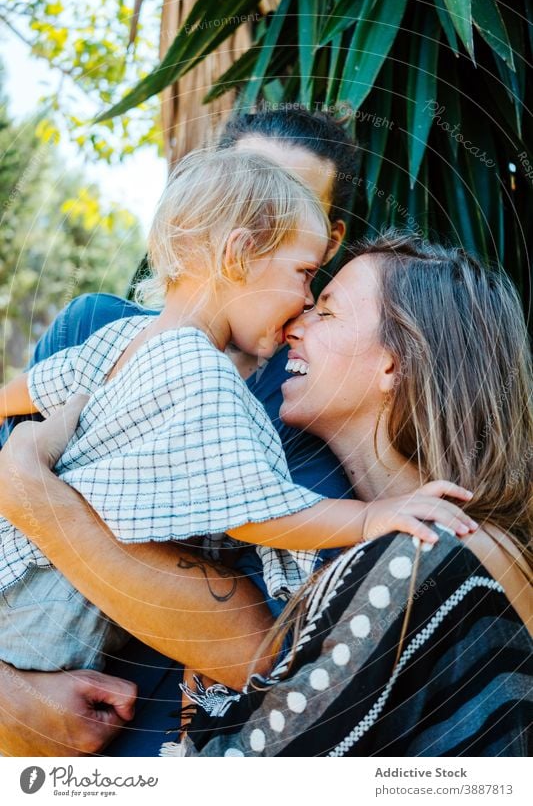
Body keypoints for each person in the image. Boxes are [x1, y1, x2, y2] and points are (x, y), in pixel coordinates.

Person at [1, 231, 532, 756]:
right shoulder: (413, 543)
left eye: (326, 311)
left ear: (395, 363)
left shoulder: (432, 552)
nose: (295, 326)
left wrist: (35, 497)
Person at [0, 146, 476, 677]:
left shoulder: (120, 337)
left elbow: (24, 392)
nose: (304, 299)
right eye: (303, 273)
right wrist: (370, 518)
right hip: (53, 605)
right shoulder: (203, 374)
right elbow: (257, 514)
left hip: (15, 574)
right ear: (240, 254)